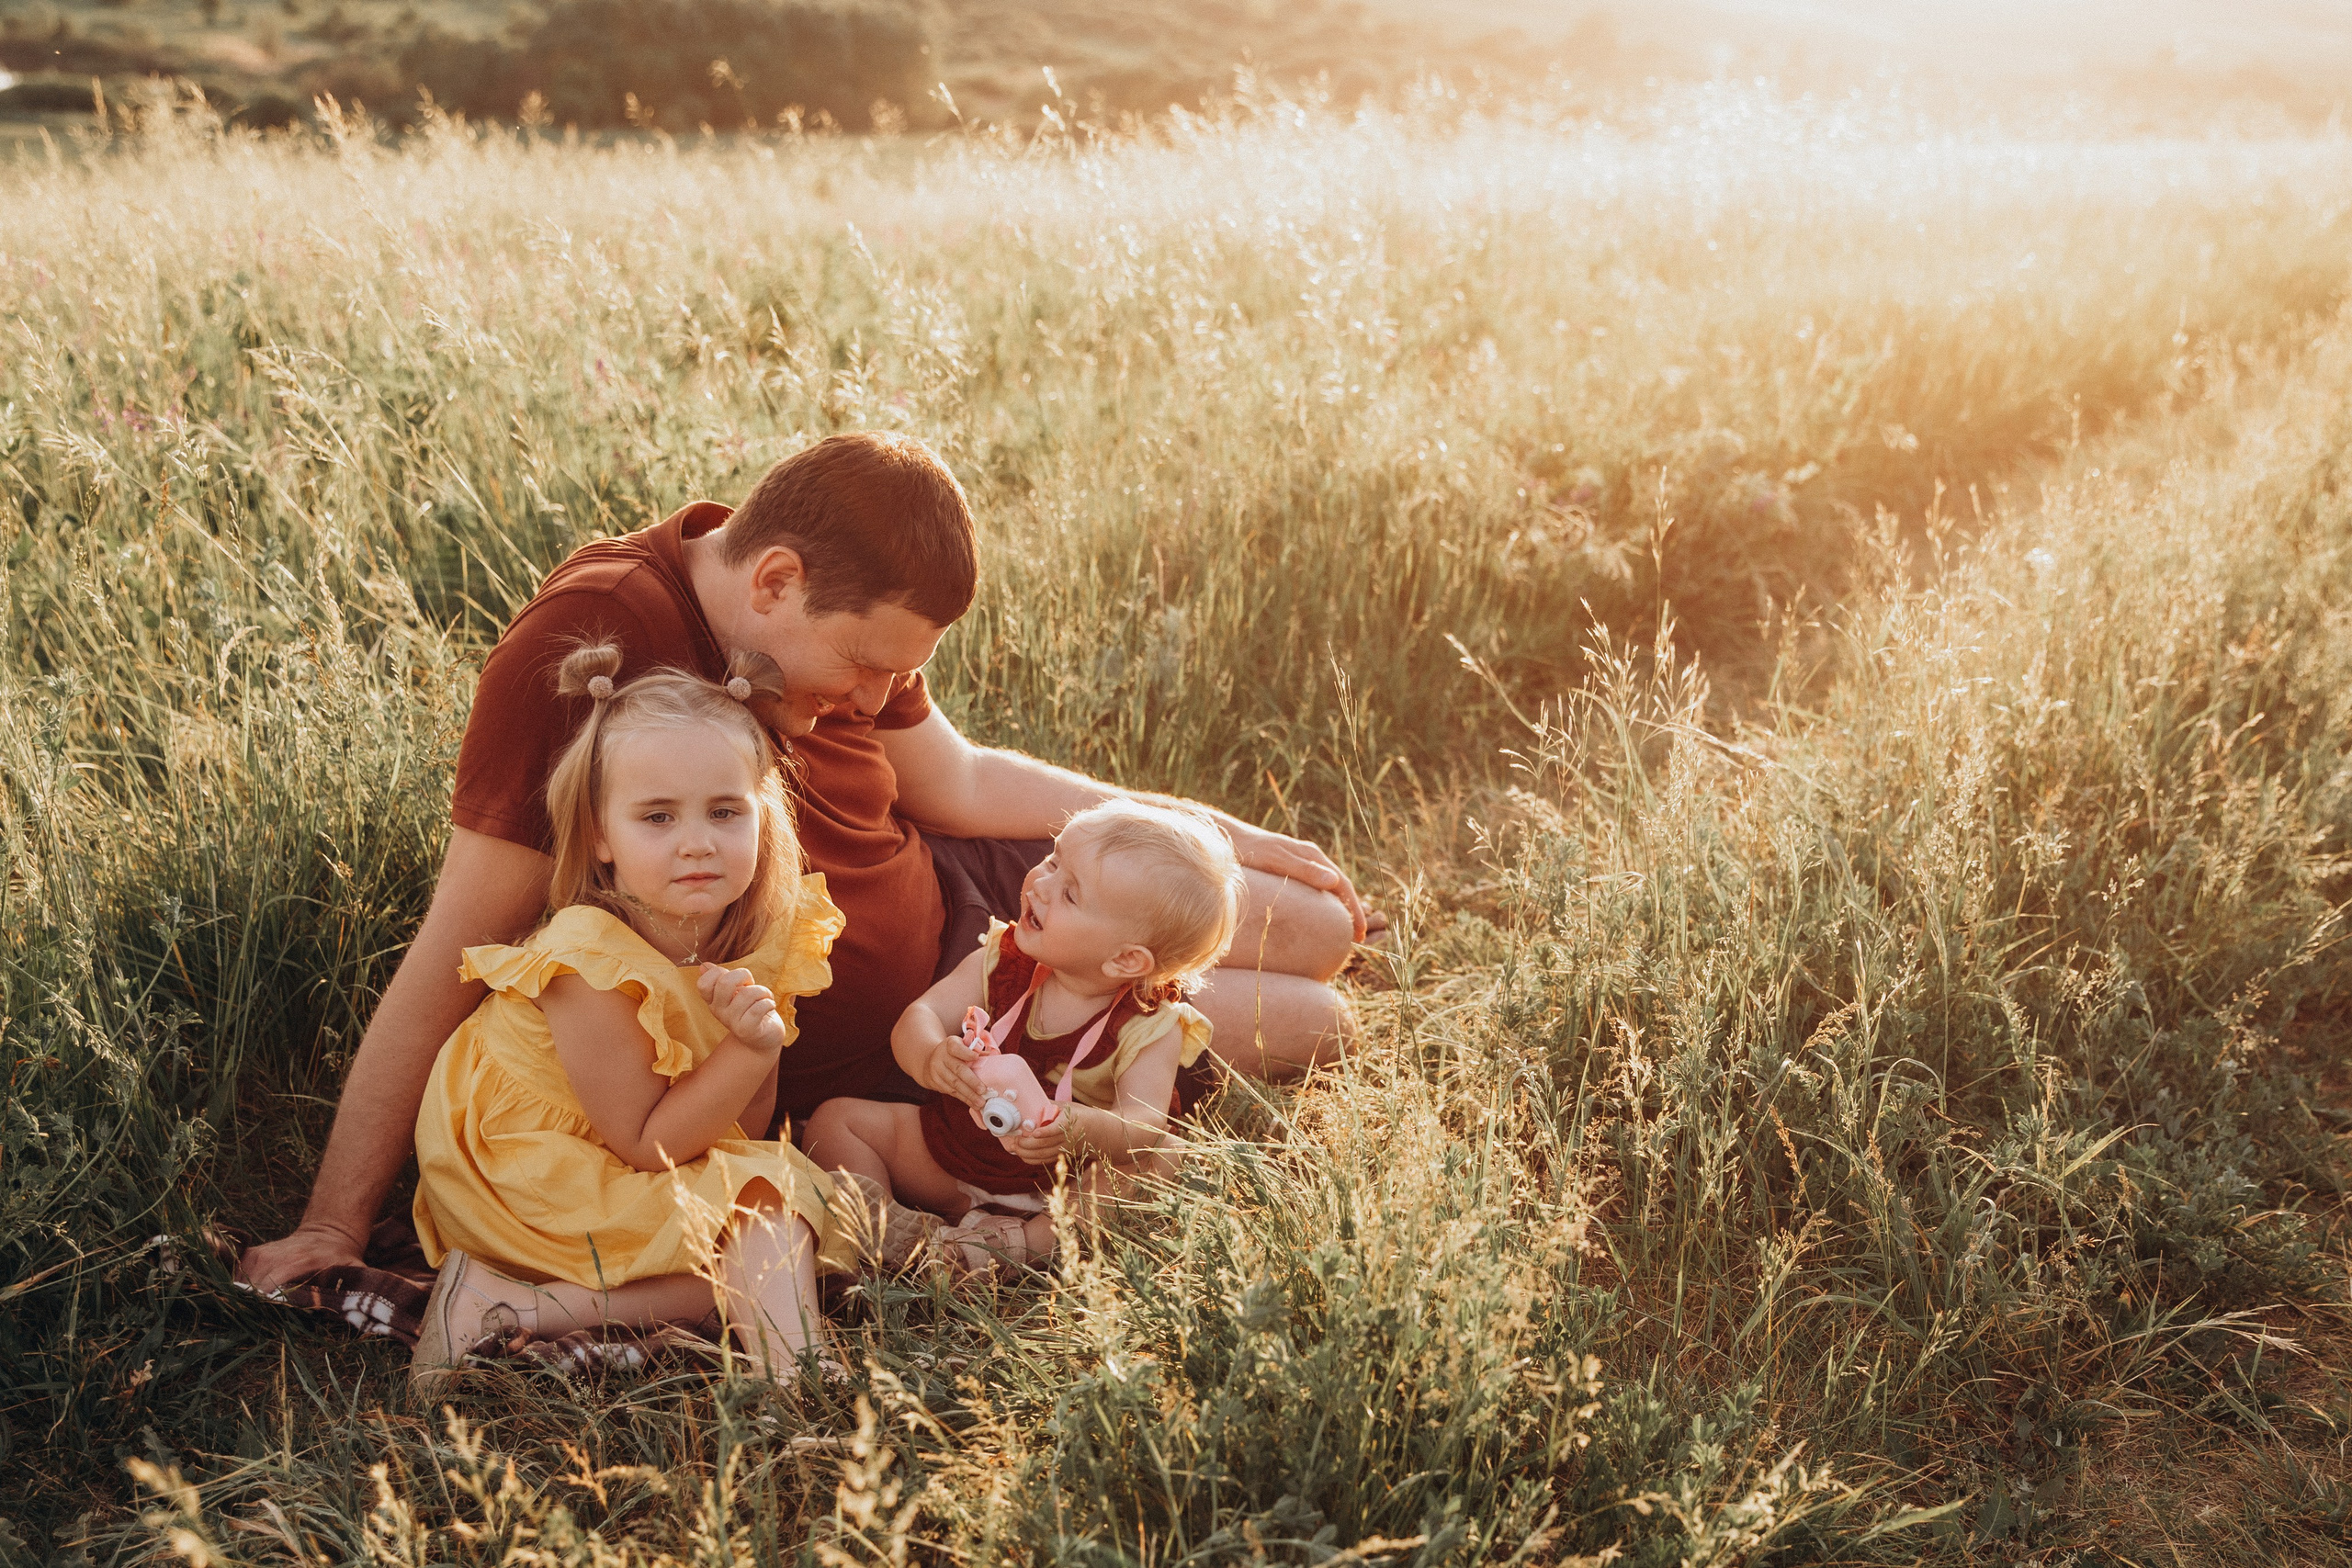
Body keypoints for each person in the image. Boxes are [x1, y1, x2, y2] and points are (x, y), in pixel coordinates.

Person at [240, 431, 1373, 1294]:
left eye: (898, 673)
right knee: (1312, 1017)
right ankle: (1092, 1034)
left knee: (1311, 925)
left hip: (971, 898)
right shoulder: (595, 639)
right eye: (862, 665)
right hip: (919, 1033)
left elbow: (959, 782)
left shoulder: (822, 609)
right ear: (772, 580)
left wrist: (1208, 829)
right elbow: (460, 940)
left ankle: (1132, 965)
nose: (876, 699)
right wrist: (335, 1226)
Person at [409, 646, 854, 1391]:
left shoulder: (763, 937)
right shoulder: (590, 962)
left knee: (770, 1206)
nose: (696, 841)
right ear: (602, 838)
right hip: (527, 1168)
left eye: (724, 811)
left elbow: (739, 1126)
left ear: (762, 817)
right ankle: (513, 1299)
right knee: (769, 1203)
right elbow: (651, 1144)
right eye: (657, 816)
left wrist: (756, 1048)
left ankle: (791, 1374)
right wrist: (748, 1049)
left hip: (638, 1150)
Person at [805, 800, 1242, 1279]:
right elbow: (921, 1016)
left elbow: (1144, 1126)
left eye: (1070, 894)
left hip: (1058, 1187)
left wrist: (1080, 1128)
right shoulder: (1002, 959)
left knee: (1156, 1163)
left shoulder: (1150, 1025)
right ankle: (895, 1231)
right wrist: (931, 1056)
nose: (1041, 883)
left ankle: (1022, 1247)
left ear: (1126, 960)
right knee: (837, 1121)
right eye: (1053, 860)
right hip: (951, 1157)